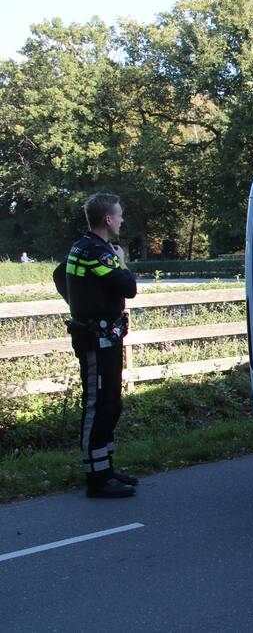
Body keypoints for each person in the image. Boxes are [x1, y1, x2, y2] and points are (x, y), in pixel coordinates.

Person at [52, 193, 138, 498]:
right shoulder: (97, 253)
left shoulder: (82, 247)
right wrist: (121, 261)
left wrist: (80, 302)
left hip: (104, 337)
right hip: (96, 341)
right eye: (120, 215)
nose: (122, 219)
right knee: (98, 405)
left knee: (111, 403)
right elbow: (129, 288)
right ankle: (96, 479)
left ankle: (106, 468)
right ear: (108, 219)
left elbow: (59, 274)